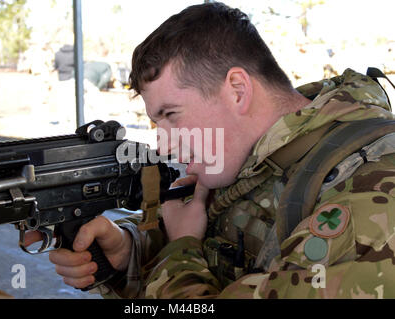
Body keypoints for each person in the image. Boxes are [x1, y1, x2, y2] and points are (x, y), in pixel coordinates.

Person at [26, 3, 395, 298]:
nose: (164, 144)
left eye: (171, 115)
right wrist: (128, 255)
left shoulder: (369, 192)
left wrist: (182, 246)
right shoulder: (245, 159)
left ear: (237, 89)